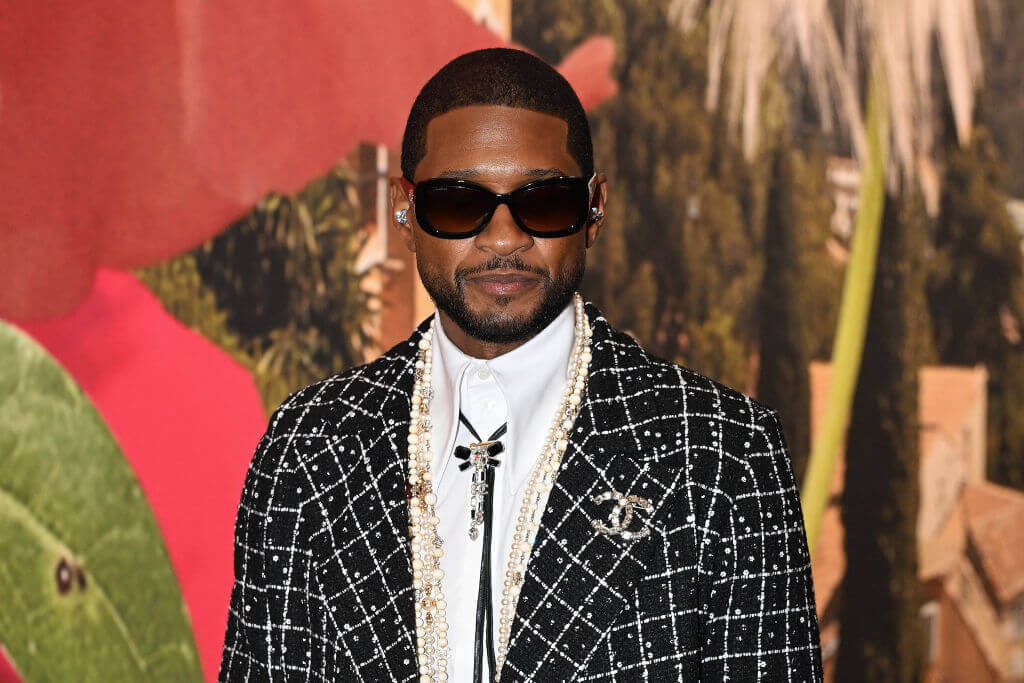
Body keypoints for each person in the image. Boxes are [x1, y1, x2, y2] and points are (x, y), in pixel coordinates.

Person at [219, 47, 823, 683]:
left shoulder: (723, 455)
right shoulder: (309, 449)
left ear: (593, 209)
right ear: (407, 211)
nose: (503, 238)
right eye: (458, 202)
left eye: (543, 202)